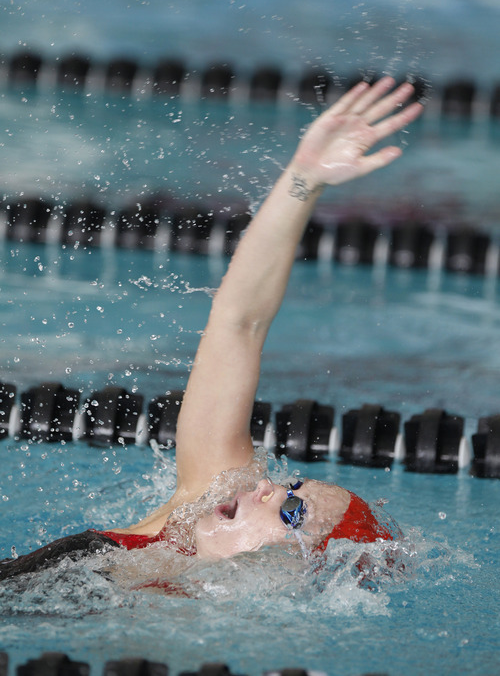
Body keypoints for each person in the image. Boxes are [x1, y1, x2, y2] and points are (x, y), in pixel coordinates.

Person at [0, 77, 423, 580]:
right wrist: (303, 180)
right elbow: (239, 321)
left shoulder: (192, 620)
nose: (270, 488)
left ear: (293, 570)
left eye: (293, 512)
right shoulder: (197, 502)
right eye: (293, 488)